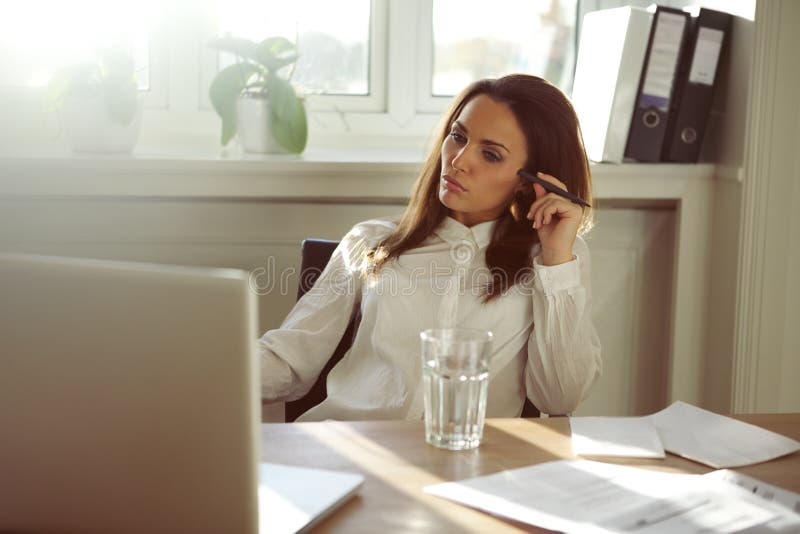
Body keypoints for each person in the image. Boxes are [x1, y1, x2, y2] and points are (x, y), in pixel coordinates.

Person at [259, 74, 601, 421]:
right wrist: (209, 372)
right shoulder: (371, 240)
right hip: (350, 452)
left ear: (532, 182)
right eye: (458, 136)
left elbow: (560, 398)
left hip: (468, 466)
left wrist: (557, 260)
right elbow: (289, 360)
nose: (459, 160)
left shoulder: (554, 260)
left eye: (491, 154)